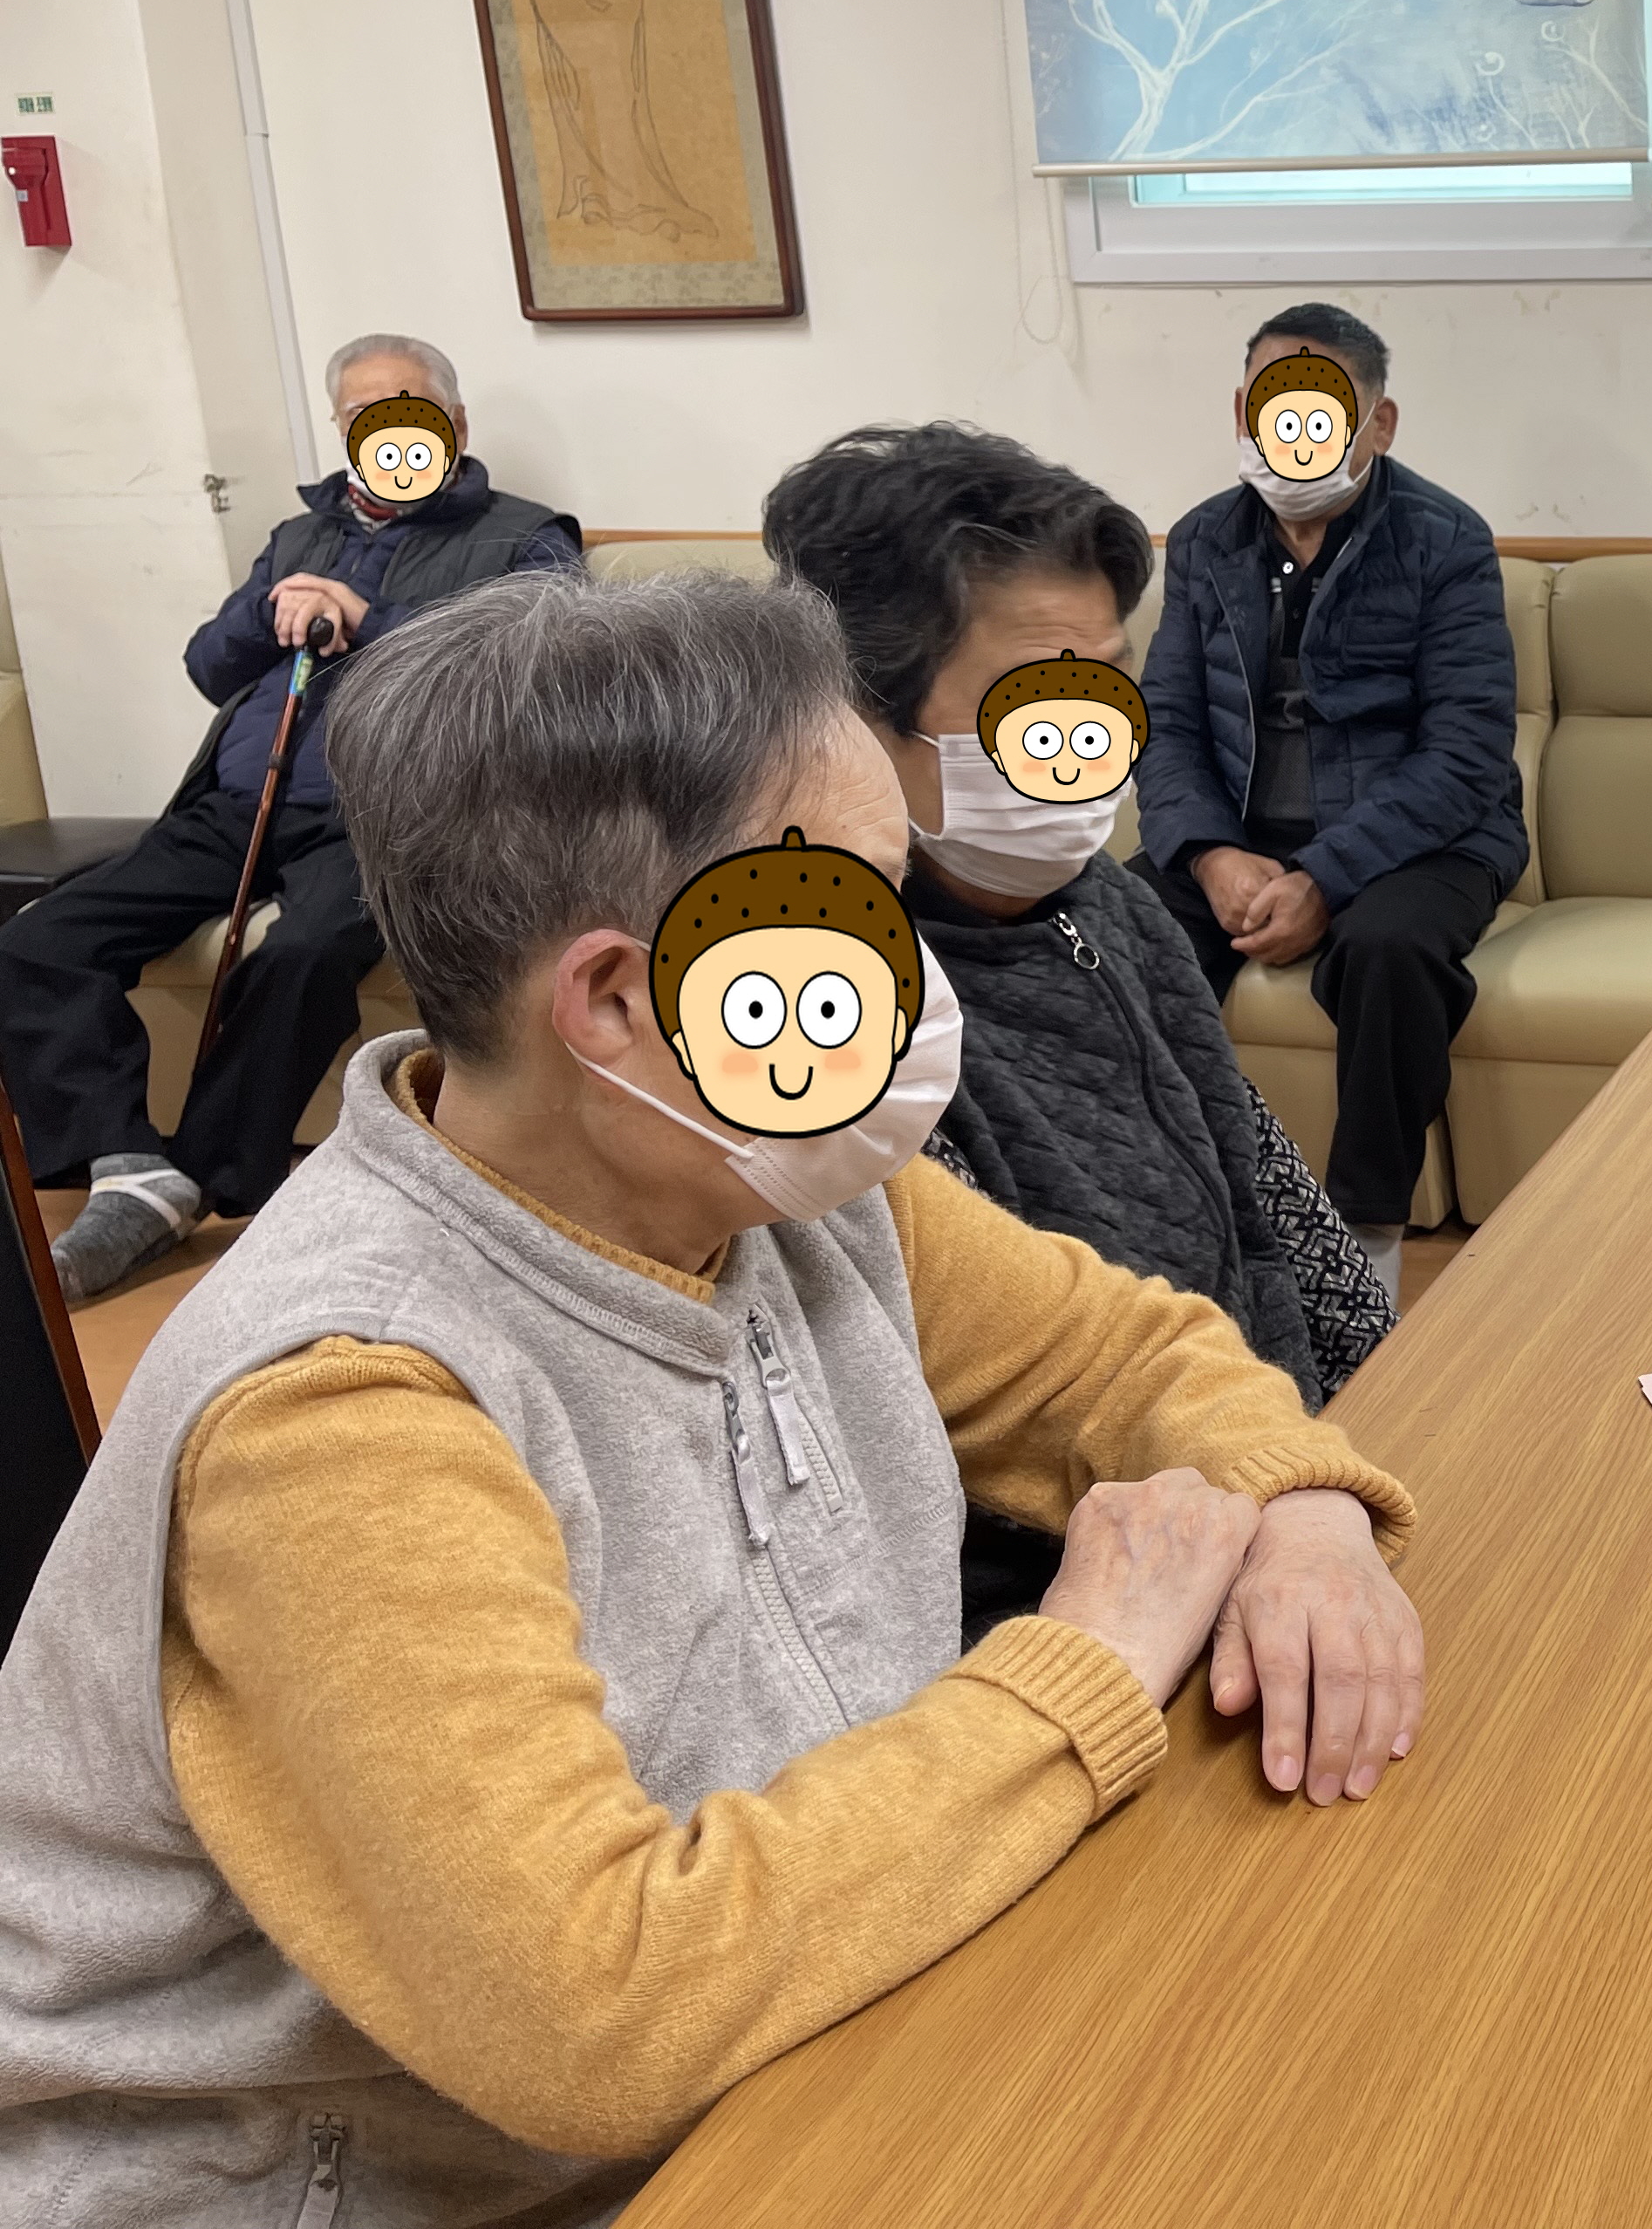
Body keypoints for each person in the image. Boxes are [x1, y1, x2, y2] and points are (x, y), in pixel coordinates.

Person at [0, 570, 1426, 2225]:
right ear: (616, 997)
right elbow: (595, 2011)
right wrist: (1085, 1669)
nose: (915, 987)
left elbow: (1120, 1355)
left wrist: (1299, 1506)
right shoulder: (347, 1413)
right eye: (857, 927)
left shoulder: (787, 1186)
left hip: (804, 2038)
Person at [764, 425, 1396, 1631]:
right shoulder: (829, 1012)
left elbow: (1263, 1190)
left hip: (1274, 1480)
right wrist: (1279, 1501)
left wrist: (1376, 1418)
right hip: (1103, 1583)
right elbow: (1003, 1396)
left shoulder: (1110, 904)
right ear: (856, 718)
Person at [0, 332, 582, 1302]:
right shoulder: (299, 533)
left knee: (307, 951)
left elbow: (546, 677)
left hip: (390, 816)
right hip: (233, 805)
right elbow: (209, 666)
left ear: (453, 421)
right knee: (38, 941)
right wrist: (277, 600)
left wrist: (368, 618)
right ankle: (127, 1167)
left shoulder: (522, 536)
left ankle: (207, 1174)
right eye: (361, 417)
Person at [1137, 304, 1528, 1303]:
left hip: (1424, 840)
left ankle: (1369, 1251)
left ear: (1378, 423)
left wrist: (1324, 877)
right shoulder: (1203, 541)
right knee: (1110, 929)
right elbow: (1167, 727)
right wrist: (1211, 855)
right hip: (1241, 835)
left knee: (1389, 949)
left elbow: (1467, 754)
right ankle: (1159, 1223)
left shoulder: (1445, 539)